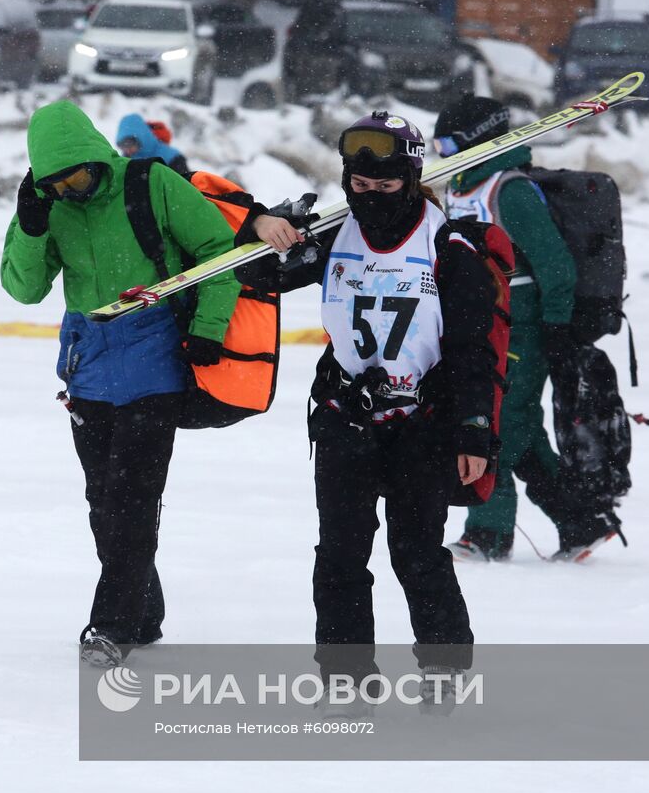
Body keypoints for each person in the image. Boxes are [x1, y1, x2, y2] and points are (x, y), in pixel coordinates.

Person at [238, 111, 497, 708]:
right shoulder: (333, 235)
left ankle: (444, 675)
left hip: (423, 424)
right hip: (345, 415)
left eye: (385, 187)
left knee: (417, 554)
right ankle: (346, 679)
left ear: (410, 178)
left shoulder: (449, 246)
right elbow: (264, 278)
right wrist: (265, 229)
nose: (371, 197)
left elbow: (471, 351)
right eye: (359, 186)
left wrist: (475, 432)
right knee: (341, 555)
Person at [2, 100, 247, 667]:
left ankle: (111, 625)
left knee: (132, 500)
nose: (73, 190)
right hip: (87, 365)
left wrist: (208, 329)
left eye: (80, 175)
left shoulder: (152, 183)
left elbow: (218, 251)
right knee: (102, 502)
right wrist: (32, 227)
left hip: (155, 361)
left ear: (97, 157)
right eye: (58, 184)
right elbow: (24, 289)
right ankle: (144, 611)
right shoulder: (46, 205)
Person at [433, 95, 620, 562]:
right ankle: (581, 522)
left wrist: (556, 327)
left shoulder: (508, 191)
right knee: (519, 429)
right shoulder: (460, 187)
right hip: (479, 324)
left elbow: (555, 266)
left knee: (497, 425)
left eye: (451, 142)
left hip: (522, 327)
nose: (445, 153)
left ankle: (487, 534)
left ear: (479, 140)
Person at [114, 113, 189, 173]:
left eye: (130, 144)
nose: (127, 150)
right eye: (122, 145)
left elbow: (186, 187)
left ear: (142, 138)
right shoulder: (124, 161)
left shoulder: (173, 158)